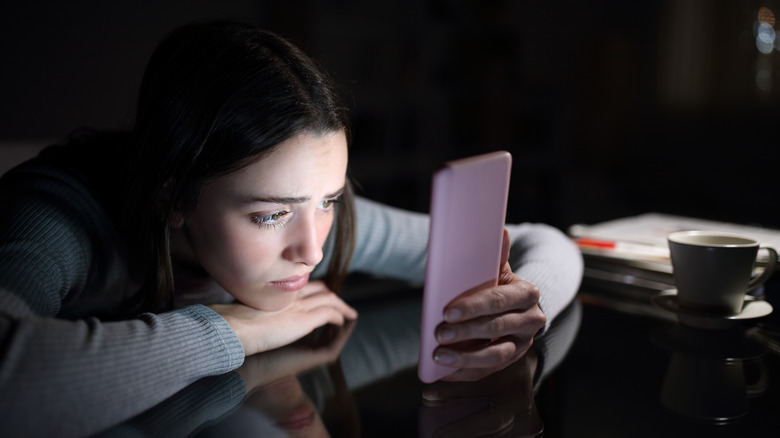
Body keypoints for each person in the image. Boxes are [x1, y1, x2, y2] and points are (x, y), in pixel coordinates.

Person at [0, 19, 583, 437]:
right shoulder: (56, 218)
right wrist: (233, 330)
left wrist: (515, 310)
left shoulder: (313, 220)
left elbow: (543, 241)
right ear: (172, 196)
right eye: (270, 214)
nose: (312, 248)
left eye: (328, 199)